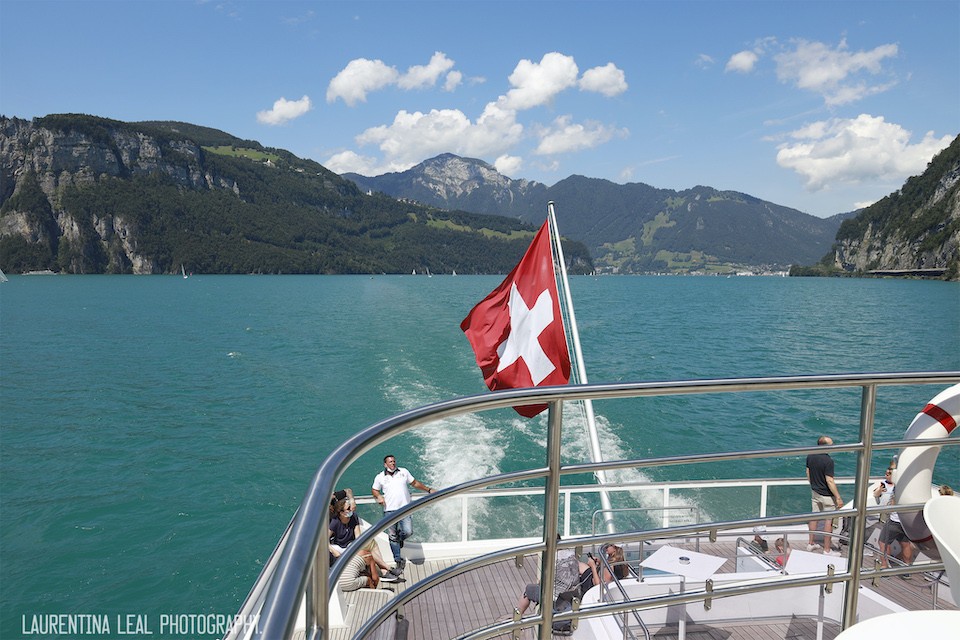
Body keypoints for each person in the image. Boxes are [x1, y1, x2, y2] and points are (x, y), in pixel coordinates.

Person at [371, 455, 434, 571]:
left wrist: (429, 490)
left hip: (405, 509)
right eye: (390, 462)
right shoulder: (380, 477)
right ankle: (398, 559)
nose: (393, 463)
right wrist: (379, 496)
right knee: (392, 536)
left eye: (394, 461)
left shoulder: (404, 472)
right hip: (389, 510)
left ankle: (400, 538)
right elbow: (374, 489)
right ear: (385, 464)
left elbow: (414, 483)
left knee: (408, 531)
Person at [329, 498, 402, 582]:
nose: (351, 510)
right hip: (340, 547)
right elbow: (325, 540)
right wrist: (334, 551)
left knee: (371, 542)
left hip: (350, 544)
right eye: (348, 508)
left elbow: (357, 535)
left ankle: (384, 571)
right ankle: (388, 568)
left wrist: (359, 545)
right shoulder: (335, 522)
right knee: (366, 551)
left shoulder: (353, 517)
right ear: (341, 513)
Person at [513, 539, 581, 617]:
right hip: (574, 596)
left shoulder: (552, 559)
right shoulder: (572, 555)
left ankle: (517, 618)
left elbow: (543, 582)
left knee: (528, 590)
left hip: (556, 600)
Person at [806, 435, 844, 553]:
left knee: (814, 517)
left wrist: (813, 484)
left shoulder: (810, 456)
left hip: (815, 491)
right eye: (831, 445)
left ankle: (810, 543)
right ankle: (827, 549)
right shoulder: (828, 461)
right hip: (827, 495)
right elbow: (829, 480)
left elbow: (808, 472)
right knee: (829, 521)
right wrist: (838, 497)